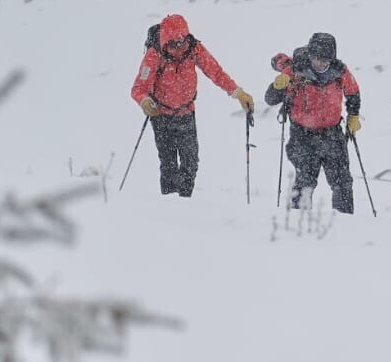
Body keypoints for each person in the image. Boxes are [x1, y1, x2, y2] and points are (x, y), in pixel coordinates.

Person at [128, 14, 254, 197]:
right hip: (161, 116)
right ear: (164, 41)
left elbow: (216, 72)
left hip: (186, 112)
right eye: (173, 43)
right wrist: (145, 102)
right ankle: (169, 204)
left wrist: (238, 93)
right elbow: (138, 87)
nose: (179, 47)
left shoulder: (195, 49)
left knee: (190, 162)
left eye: (182, 41)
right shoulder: (154, 55)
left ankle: (185, 202)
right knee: (169, 163)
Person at [265, 31, 361, 213]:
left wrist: (353, 116)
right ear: (310, 55)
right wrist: (277, 86)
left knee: (342, 182)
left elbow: (353, 93)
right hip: (302, 136)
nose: (320, 63)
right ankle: (297, 219)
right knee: (306, 180)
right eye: (316, 59)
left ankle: (345, 221)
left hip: (332, 133)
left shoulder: (340, 71)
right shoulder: (296, 71)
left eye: (325, 60)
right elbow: (270, 99)